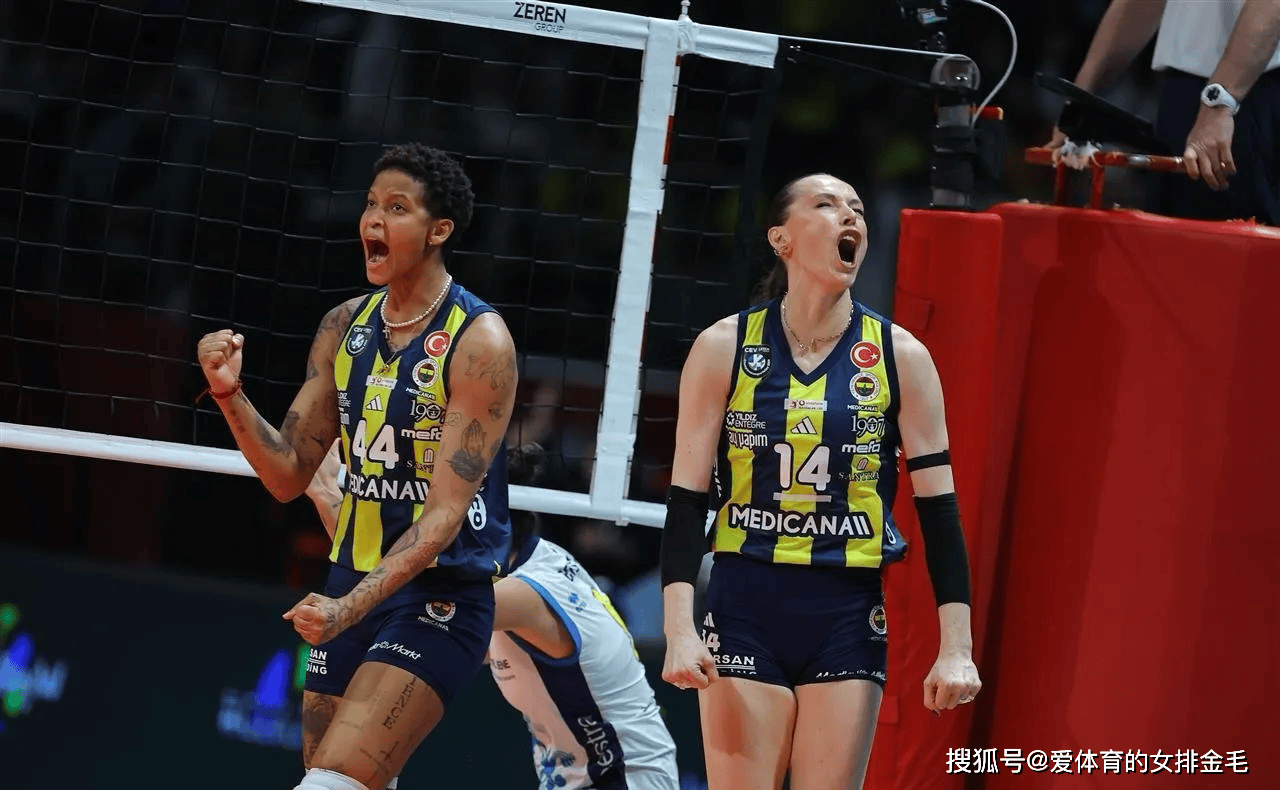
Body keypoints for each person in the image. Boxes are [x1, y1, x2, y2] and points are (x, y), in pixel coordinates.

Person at [196, 142, 518, 790]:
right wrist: (229, 395)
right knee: (340, 778)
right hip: (349, 576)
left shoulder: (479, 340)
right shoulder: (343, 325)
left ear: (438, 230)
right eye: (371, 204)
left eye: (396, 208)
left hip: (439, 593)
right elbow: (288, 473)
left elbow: (443, 518)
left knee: (332, 782)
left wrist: (350, 609)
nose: (373, 219)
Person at [658, 173, 981, 790]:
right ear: (781, 238)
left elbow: (940, 513)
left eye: (857, 208)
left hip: (846, 609)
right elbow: (686, 501)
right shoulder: (724, 346)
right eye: (827, 205)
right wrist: (678, 630)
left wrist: (956, 648)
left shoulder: (901, 356)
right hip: (744, 599)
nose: (850, 216)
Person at [306, 440, 681, 790]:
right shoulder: (524, 572)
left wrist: (328, 497)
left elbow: (400, 595)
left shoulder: (529, 592)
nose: (424, 538)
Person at [1047, 0, 1280, 225]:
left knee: (1245, 248)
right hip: (1186, 95)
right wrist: (1082, 97)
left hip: (1251, 92)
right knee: (1173, 244)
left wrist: (1221, 101)